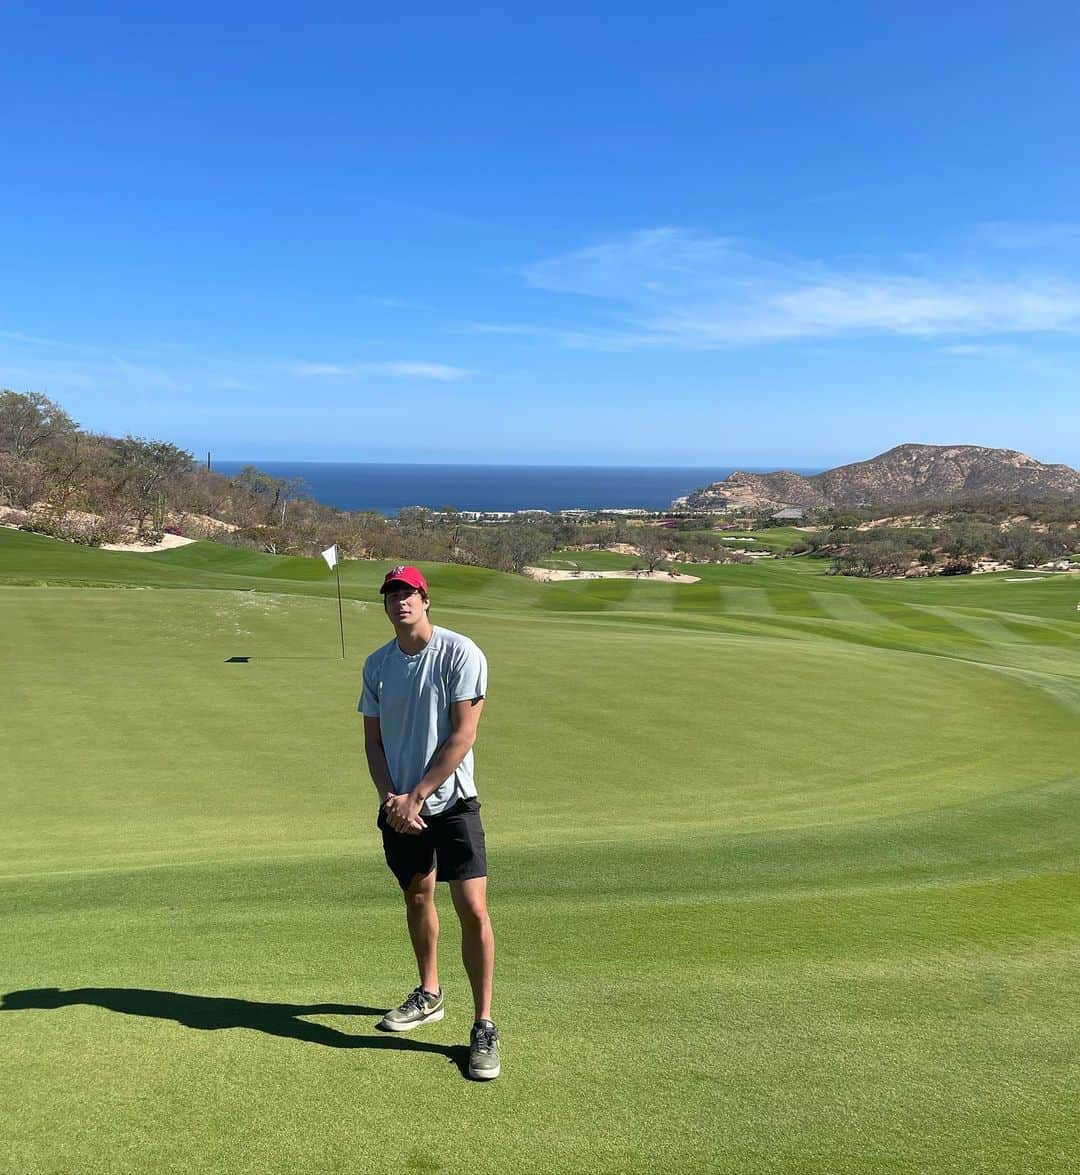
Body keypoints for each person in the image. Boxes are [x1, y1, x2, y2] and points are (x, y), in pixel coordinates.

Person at [359, 564, 500, 1080]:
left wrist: (418, 795)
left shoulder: (461, 652)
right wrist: (392, 799)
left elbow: (463, 734)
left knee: (472, 907)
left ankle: (483, 1024)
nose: (401, 602)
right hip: (401, 807)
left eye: (409, 593)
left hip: (452, 803)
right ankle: (430, 994)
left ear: (425, 599)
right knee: (417, 895)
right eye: (392, 595)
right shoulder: (377, 665)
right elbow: (373, 742)